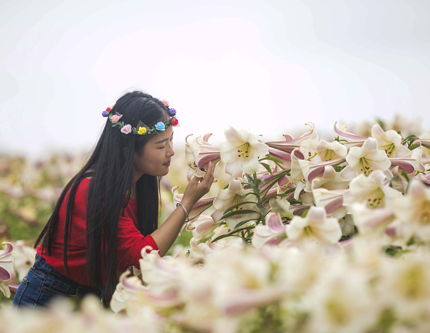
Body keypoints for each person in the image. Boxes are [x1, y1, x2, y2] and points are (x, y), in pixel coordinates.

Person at [12, 91, 215, 308]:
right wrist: (187, 203)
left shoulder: (137, 185)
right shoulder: (93, 190)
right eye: (160, 145)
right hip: (47, 297)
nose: (171, 152)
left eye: (171, 141)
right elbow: (142, 254)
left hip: (88, 297)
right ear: (128, 148)